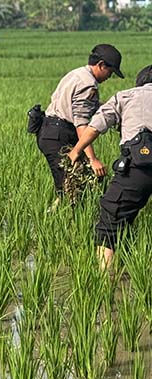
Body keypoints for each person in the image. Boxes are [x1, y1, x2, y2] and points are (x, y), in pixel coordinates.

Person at [67, 65, 152, 269]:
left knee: (110, 223)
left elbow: (96, 126)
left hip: (138, 167)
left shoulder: (126, 96)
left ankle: (106, 280)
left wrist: (77, 150)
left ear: (140, 82)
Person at [37, 44, 123, 208]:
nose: (109, 77)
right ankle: (58, 218)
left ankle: (57, 214)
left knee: (74, 185)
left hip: (50, 132)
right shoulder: (88, 84)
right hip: (59, 136)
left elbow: (83, 106)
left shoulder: (77, 73)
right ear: (101, 65)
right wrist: (92, 159)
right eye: (110, 72)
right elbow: (82, 124)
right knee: (71, 190)